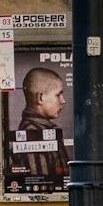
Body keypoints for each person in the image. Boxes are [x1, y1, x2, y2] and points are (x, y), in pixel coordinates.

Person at [11, 65, 71, 193]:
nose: (63, 101)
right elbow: (41, 188)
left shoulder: (39, 130)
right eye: (58, 95)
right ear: (41, 97)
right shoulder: (33, 133)